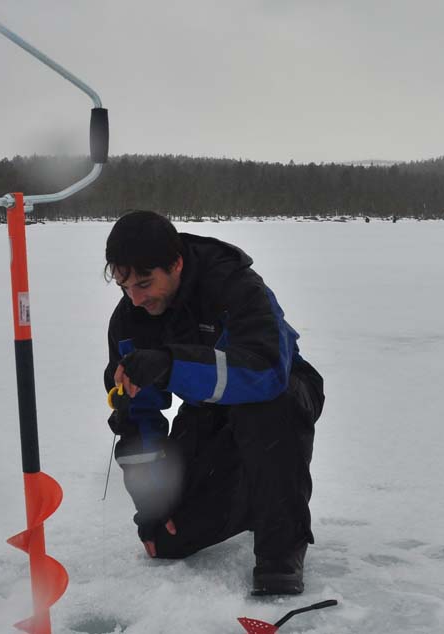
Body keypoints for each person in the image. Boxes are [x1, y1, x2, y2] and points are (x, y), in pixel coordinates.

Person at [103, 210, 324, 596]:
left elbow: (267, 369)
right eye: (125, 286)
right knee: (168, 540)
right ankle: (255, 498)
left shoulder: (234, 285)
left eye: (144, 283)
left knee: (269, 407)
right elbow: (138, 418)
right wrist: (154, 503)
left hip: (282, 393)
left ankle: (280, 548)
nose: (135, 299)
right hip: (209, 411)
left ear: (176, 263)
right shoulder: (130, 321)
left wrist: (171, 365)